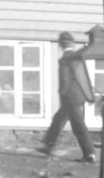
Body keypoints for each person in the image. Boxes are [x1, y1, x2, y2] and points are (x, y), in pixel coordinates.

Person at [39, 32, 98, 163]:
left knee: (78, 125)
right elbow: (82, 77)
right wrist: (88, 95)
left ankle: (89, 154)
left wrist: (63, 92)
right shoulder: (76, 56)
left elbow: (65, 78)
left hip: (70, 98)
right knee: (58, 120)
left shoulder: (67, 58)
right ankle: (48, 146)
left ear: (60, 44)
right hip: (76, 96)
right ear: (72, 44)